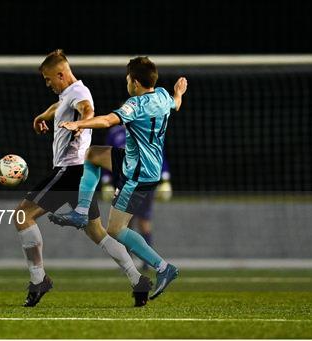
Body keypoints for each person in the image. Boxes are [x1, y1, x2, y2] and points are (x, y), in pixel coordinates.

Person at [15, 50, 151, 308]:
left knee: (23, 216)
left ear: (61, 74)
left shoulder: (79, 94)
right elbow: (61, 105)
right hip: (79, 174)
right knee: (97, 232)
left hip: (69, 170)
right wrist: (43, 116)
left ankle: (38, 279)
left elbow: (86, 109)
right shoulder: (69, 93)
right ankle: (137, 279)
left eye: (48, 79)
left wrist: (81, 124)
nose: (48, 84)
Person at [49, 56, 187, 300]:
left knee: (115, 229)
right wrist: (179, 93)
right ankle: (81, 211)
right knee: (91, 155)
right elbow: (176, 104)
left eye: (127, 79)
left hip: (137, 173)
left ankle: (163, 267)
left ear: (134, 82)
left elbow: (107, 120)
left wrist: (79, 124)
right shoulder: (164, 96)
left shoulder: (135, 105)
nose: (126, 83)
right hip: (138, 162)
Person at [101, 125, 173, 270]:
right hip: (124, 183)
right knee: (123, 225)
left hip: (144, 183)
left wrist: (165, 178)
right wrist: (106, 180)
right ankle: (128, 262)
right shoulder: (115, 133)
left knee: (143, 222)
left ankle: (147, 263)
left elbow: (159, 155)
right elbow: (107, 155)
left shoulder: (147, 130)